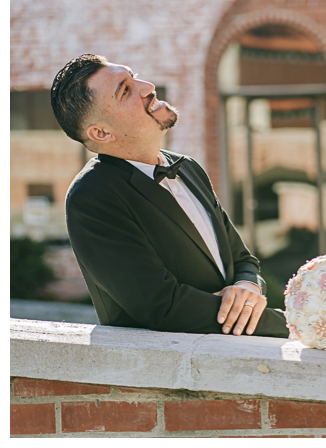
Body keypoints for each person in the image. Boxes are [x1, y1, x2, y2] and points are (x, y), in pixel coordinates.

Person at [51, 54, 288, 337]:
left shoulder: (188, 167)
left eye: (134, 75)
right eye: (125, 90)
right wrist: (287, 325)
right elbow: (160, 307)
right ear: (102, 132)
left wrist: (247, 287)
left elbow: (242, 260)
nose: (148, 86)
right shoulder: (91, 197)